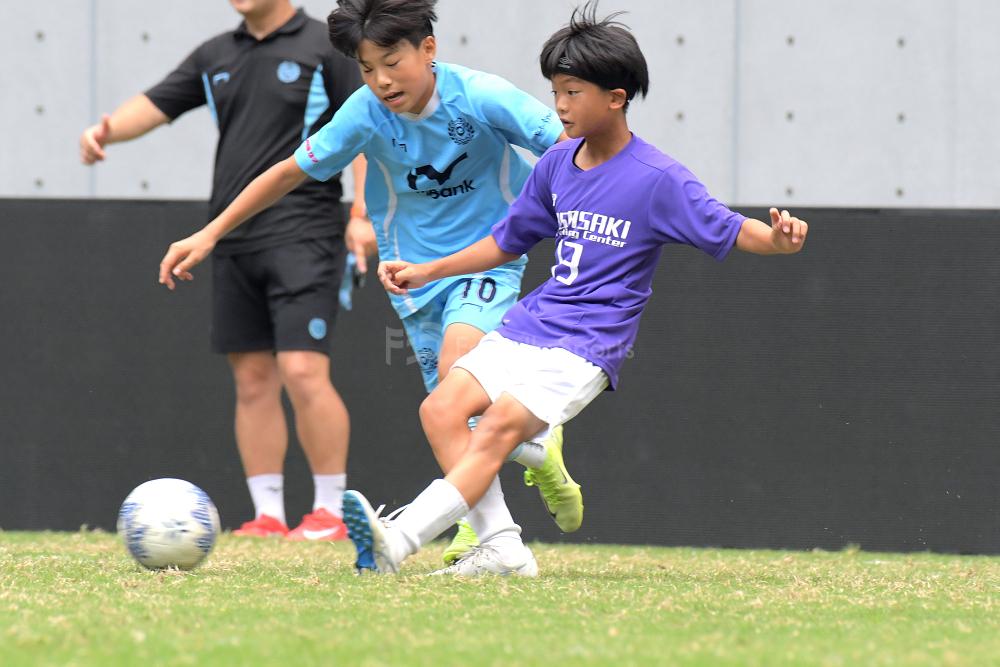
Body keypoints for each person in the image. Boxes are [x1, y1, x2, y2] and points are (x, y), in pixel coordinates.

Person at [346, 1, 810, 576]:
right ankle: (503, 549)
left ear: (616, 98)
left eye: (572, 92)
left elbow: (732, 228)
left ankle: (398, 541)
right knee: (441, 409)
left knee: (495, 429)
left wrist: (780, 240)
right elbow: (507, 240)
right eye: (556, 92)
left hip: (586, 345)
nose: (560, 106)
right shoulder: (557, 163)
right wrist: (431, 269)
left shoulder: (659, 179)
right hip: (531, 324)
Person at [157, 0, 584, 565]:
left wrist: (586, 218)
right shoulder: (363, 113)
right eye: (366, 68)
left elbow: (570, 146)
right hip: (410, 276)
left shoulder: (481, 95)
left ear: (428, 49)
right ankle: (523, 466)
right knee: (451, 414)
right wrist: (209, 233)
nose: (381, 80)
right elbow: (287, 172)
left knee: (456, 378)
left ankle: (496, 538)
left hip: (487, 261)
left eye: (392, 62)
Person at [81, 0, 375, 541]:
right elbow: (157, 103)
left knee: (302, 370)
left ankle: (330, 512)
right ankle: (268, 515)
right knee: (252, 377)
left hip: (306, 233)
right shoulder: (215, 54)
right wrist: (105, 132)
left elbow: (361, 129)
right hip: (232, 237)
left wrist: (361, 212)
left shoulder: (324, 47)